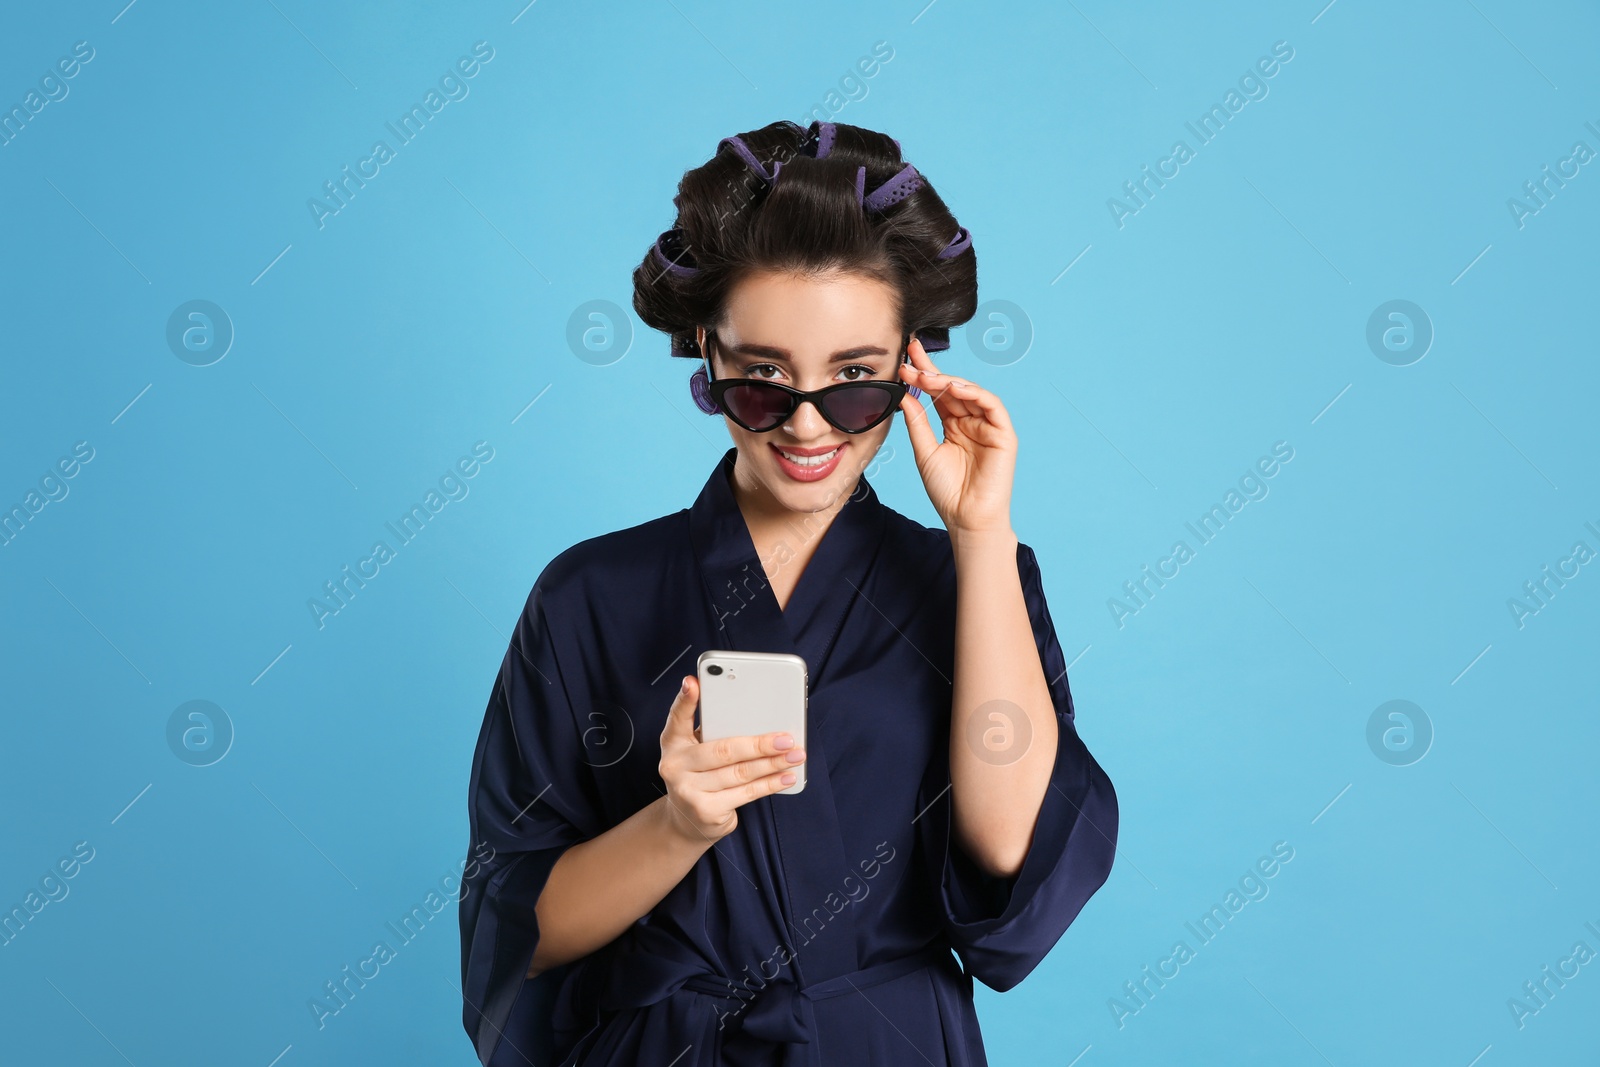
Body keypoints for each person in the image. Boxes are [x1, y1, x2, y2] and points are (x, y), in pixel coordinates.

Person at [459, 119, 1119, 1066]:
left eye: (855, 383)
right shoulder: (588, 597)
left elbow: (1011, 858)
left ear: (910, 369)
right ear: (706, 353)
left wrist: (978, 533)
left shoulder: (973, 580)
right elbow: (519, 931)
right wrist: (678, 822)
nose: (809, 427)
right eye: (764, 381)